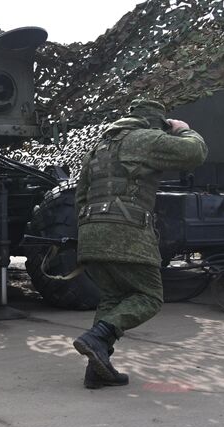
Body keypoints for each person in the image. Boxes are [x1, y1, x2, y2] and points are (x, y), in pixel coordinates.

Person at [73, 99, 207, 389]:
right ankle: (97, 338)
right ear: (156, 123)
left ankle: (97, 370)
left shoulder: (100, 147)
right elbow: (196, 153)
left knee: (112, 297)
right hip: (127, 233)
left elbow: (80, 195)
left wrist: (90, 232)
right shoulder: (145, 138)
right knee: (150, 296)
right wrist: (185, 130)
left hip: (91, 232)